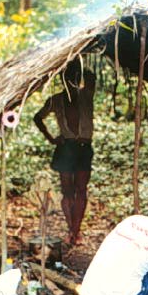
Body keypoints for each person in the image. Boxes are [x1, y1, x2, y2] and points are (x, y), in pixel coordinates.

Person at [33, 60, 95, 245]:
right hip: (66, 148)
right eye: (68, 77)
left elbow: (92, 76)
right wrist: (51, 138)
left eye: (76, 76)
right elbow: (38, 117)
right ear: (63, 79)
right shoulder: (56, 100)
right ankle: (72, 231)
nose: (72, 81)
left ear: (79, 78)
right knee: (68, 190)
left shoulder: (86, 95)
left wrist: (78, 56)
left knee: (81, 190)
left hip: (83, 147)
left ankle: (76, 231)